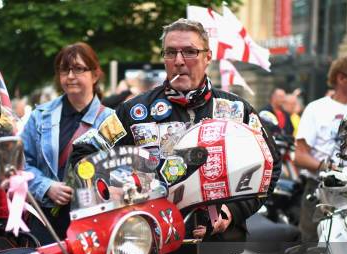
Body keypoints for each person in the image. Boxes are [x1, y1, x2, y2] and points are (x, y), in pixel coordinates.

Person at [72, 18, 281, 241]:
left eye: (190, 52)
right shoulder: (135, 111)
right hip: (151, 242)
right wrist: (105, 190)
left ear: (207, 56)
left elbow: (270, 165)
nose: (179, 61)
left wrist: (233, 211)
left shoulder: (237, 110)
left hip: (220, 242)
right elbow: (83, 154)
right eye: (171, 52)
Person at [20, 42, 114, 243]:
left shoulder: (110, 120)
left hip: (95, 220)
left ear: (95, 75)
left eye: (78, 69)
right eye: (65, 70)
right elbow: (20, 164)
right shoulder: (39, 116)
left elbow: (121, 169)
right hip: (47, 221)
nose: (70, 76)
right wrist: (46, 186)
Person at [294, 55, 347, 241]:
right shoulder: (316, 108)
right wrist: (327, 168)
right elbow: (300, 156)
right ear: (341, 78)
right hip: (321, 192)